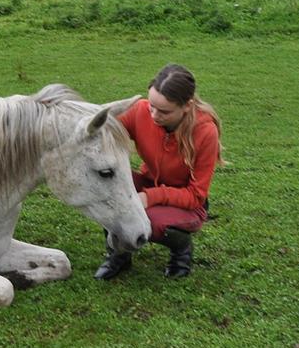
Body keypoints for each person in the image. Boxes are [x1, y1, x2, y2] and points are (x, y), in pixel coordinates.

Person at [94, 64, 223, 279]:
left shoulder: (205, 131)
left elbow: (196, 195)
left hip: (186, 203)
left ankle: (181, 251)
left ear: (187, 106)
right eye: (151, 106)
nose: (154, 114)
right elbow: (105, 130)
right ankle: (118, 254)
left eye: (164, 111)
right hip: (148, 182)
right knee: (107, 190)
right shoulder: (140, 111)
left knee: (145, 218)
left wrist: (150, 197)